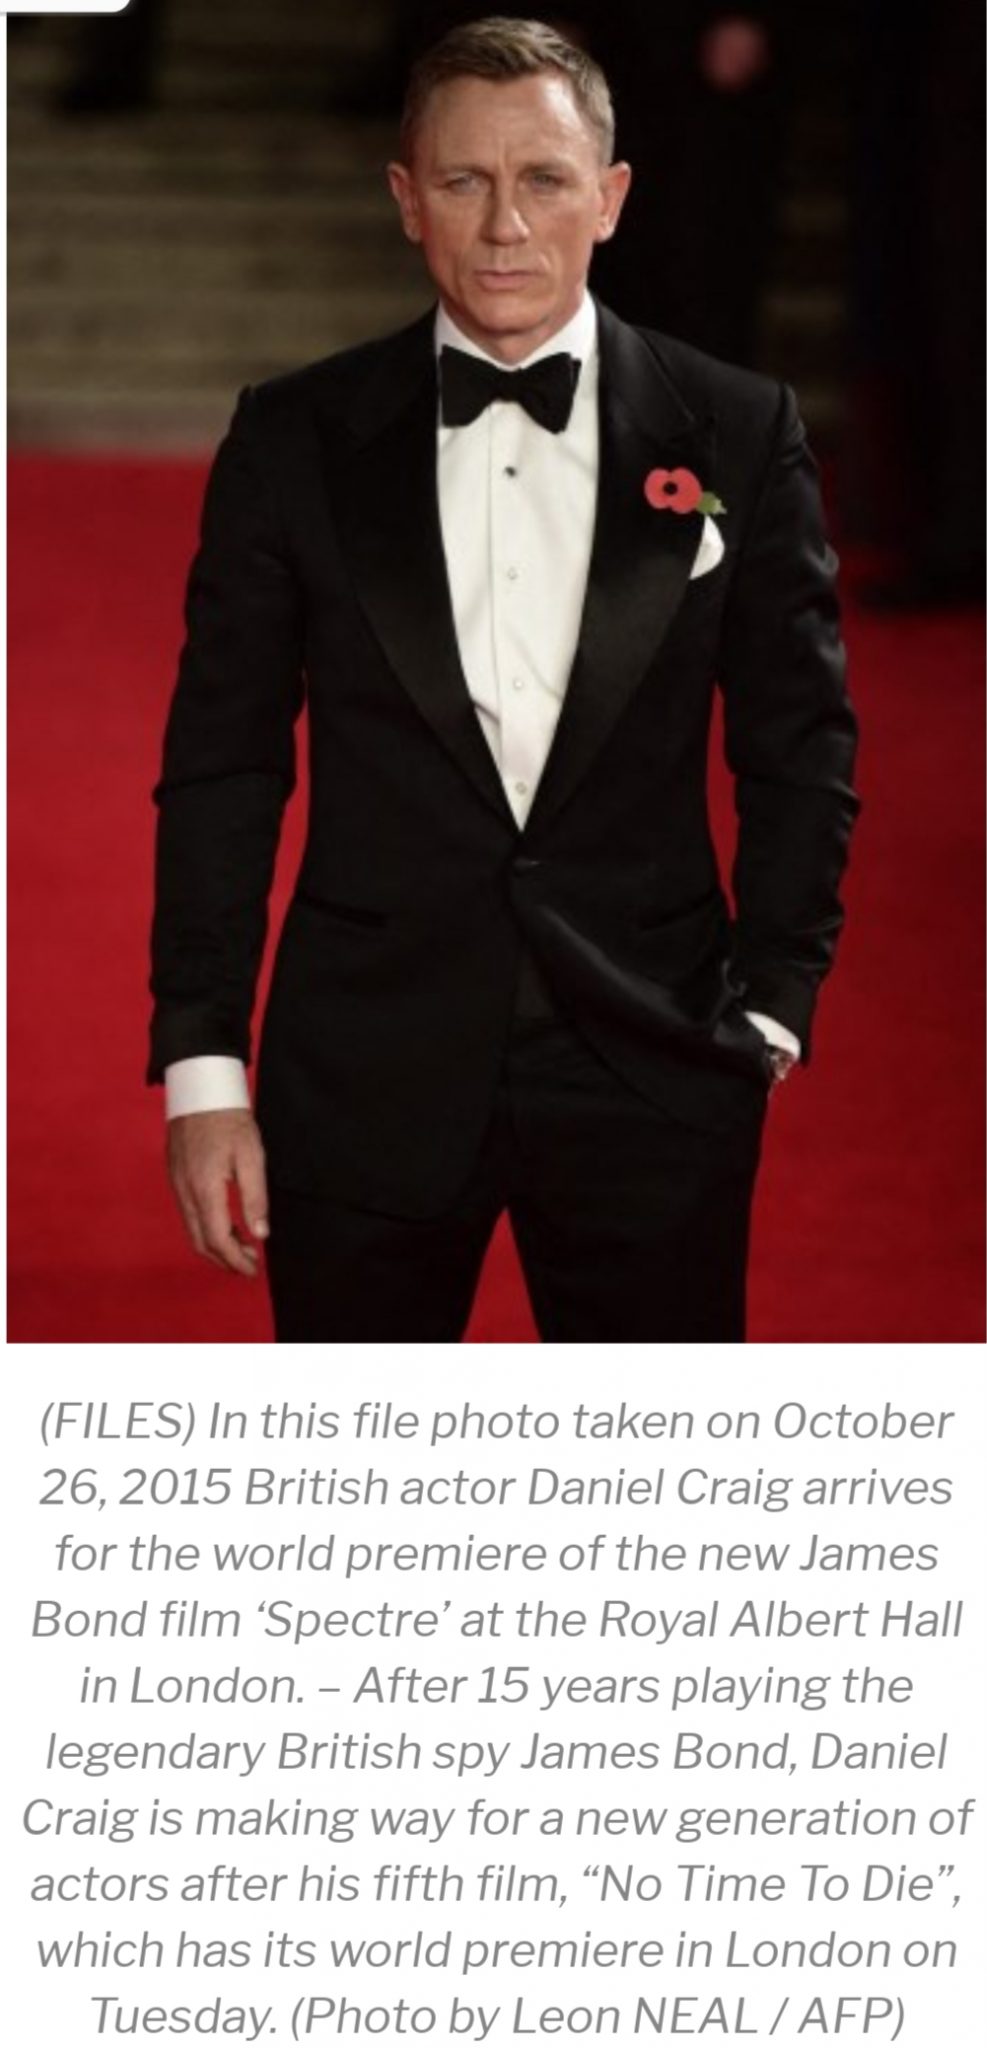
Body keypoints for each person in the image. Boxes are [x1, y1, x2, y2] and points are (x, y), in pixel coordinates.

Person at [149, 16, 858, 1342]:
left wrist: (774, 1000)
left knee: (657, 1471)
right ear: (405, 200)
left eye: (543, 179)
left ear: (613, 196)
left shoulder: (738, 430)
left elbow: (800, 740)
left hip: (656, 1063)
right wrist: (204, 1067)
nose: (504, 226)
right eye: (464, 181)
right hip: (364, 1065)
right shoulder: (294, 437)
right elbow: (223, 762)